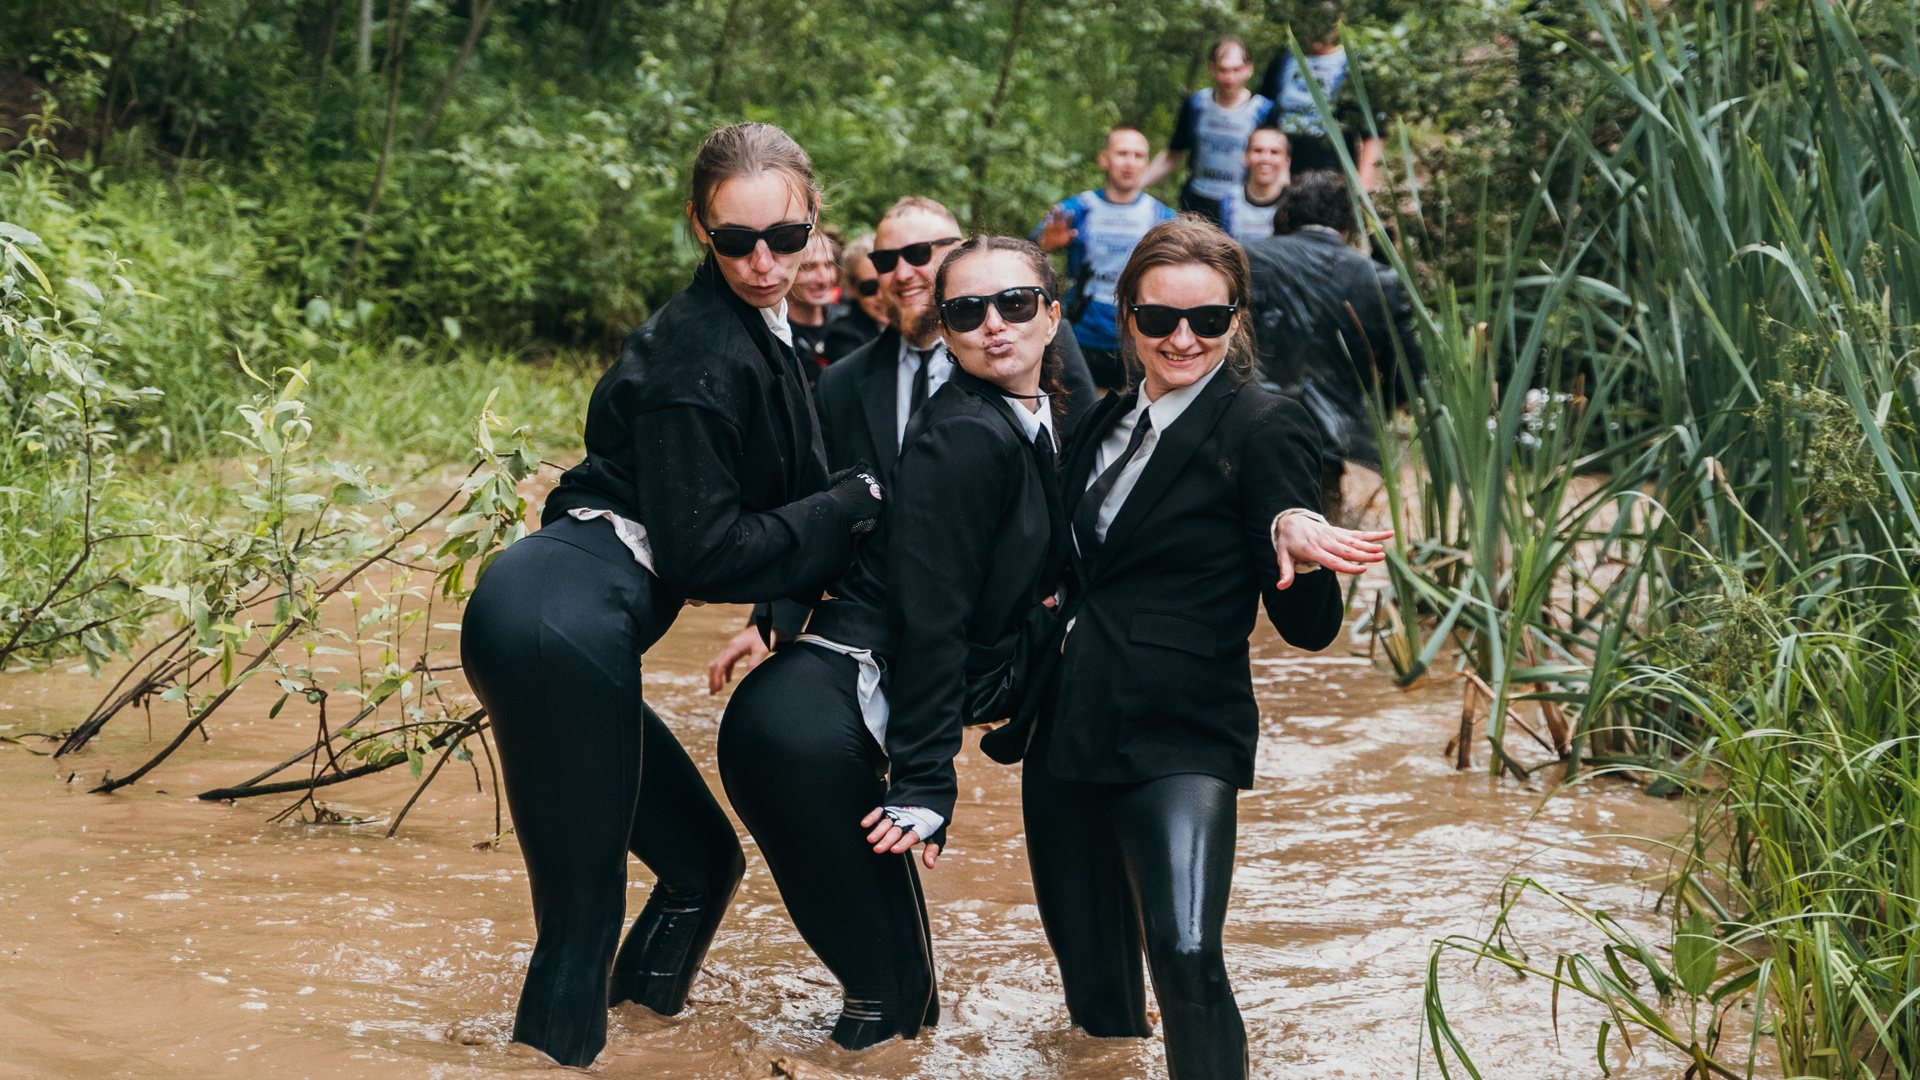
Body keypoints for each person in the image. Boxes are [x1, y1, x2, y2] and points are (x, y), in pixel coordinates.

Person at [459, 122, 885, 1069]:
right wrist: (851, 503)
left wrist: (783, 611)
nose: (764, 261)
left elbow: (760, 499)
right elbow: (703, 556)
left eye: (786, 237)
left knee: (702, 864)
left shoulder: (756, 329)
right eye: (737, 241)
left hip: (558, 617)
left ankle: (644, 1042)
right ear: (700, 227)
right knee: (579, 920)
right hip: (555, 622)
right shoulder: (698, 355)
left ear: (816, 220)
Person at [981, 217, 1393, 1080]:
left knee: (1187, 952)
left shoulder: (1263, 424)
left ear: (1234, 320)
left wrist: (1294, 536)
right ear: (1127, 317)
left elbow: (1308, 621)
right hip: (1067, 727)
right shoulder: (1100, 421)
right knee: (1096, 990)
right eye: (1160, 318)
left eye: (1207, 320)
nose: (1182, 339)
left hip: (1182, 731)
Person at [718, 236, 1080, 1050]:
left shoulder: (1027, 420)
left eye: (1015, 304)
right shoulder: (966, 436)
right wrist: (926, 783)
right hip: (805, 735)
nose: (994, 325)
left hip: (819, 724)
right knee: (887, 1008)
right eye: (967, 312)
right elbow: (932, 616)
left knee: (910, 1009)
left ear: (1052, 315)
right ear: (943, 332)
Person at [817, 196, 1098, 486]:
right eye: (886, 261)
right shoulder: (840, 383)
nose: (901, 274)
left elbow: (1084, 457)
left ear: (957, 252)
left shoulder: (1029, 342)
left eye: (918, 254)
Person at [1245, 169, 1424, 472]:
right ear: (1348, 219)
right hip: (1347, 448)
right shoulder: (1380, 279)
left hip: (1255, 434)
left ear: (1287, 213)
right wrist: (1373, 411)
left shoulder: (1245, 259)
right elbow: (1411, 373)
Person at [1034, 127, 1176, 391]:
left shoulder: (1162, 216)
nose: (1129, 162)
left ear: (1146, 163)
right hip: (1082, 333)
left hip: (1137, 335)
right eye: (1122, 153)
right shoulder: (1078, 208)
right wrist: (1044, 245)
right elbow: (1023, 251)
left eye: (1138, 155)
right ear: (1104, 159)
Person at [1142, 36, 1273, 224]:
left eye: (1236, 70)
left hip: (1242, 203)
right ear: (1211, 69)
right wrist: (1135, 185)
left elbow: (1276, 161)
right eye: (1223, 70)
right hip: (1198, 199)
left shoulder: (1264, 110)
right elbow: (1173, 153)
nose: (1229, 78)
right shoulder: (1196, 105)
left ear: (1248, 69)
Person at [1257, 0, 1381, 189]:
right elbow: (1263, 120)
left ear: (1338, 22)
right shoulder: (1282, 62)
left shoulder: (1354, 66)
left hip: (1333, 178)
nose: (1319, 30)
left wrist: (1362, 187)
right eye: (1313, 20)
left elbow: (1374, 132)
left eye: (1326, 21)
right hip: (1281, 179)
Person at [787, 226, 847, 378]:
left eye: (829, 265)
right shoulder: (775, 334)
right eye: (809, 267)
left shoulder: (847, 320)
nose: (823, 278)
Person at [822, 231, 888, 362]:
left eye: (887, 284)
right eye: (869, 287)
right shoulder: (842, 338)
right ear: (851, 288)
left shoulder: (915, 324)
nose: (881, 296)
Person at [1220, 127, 1289, 245]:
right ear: (1246, 157)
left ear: (1287, 161)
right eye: (1258, 150)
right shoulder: (1229, 201)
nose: (1266, 158)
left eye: (1274, 152)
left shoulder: (1294, 203)